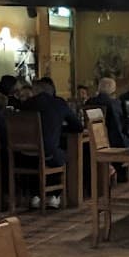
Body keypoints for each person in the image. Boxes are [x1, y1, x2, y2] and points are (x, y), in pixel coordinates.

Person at [20, 77, 82, 207]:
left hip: (24, 154)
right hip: (48, 153)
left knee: (39, 158)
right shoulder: (59, 103)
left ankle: (36, 195)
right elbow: (77, 126)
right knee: (65, 155)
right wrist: (60, 127)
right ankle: (54, 195)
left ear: (36, 91)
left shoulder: (26, 104)